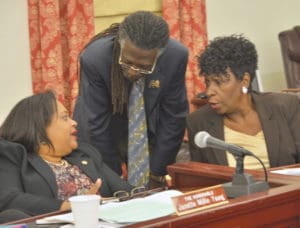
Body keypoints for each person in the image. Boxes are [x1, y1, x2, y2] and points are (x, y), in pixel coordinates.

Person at [73, 11, 189, 187]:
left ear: (159, 55)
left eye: (144, 67)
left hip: (148, 128)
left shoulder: (175, 56)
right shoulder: (95, 59)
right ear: (121, 44)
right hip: (105, 131)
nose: (134, 71)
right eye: (127, 62)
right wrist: (115, 179)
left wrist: (157, 172)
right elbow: (95, 126)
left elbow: (174, 117)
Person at [0, 91, 133, 218]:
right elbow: (8, 199)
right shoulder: (12, 155)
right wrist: (72, 206)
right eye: (65, 118)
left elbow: (125, 191)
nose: (74, 122)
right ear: (39, 127)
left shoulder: (85, 153)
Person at [187, 35, 300, 169]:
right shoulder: (198, 122)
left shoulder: (285, 106)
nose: (209, 91)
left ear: (245, 80)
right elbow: (201, 179)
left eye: (218, 82)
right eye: (208, 82)